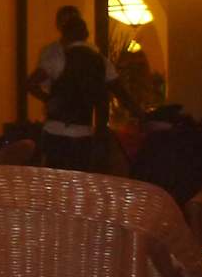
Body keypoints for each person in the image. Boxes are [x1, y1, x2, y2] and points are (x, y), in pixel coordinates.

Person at [27, 13, 140, 171]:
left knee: (54, 179)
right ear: (86, 35)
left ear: (64, 36)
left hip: (55, 130)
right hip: (83, 132)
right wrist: (139, 114)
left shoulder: (57, 59)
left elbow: (31, 83)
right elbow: (120, 91)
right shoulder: (101, 61)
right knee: (80, 179)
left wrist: (49, 99)